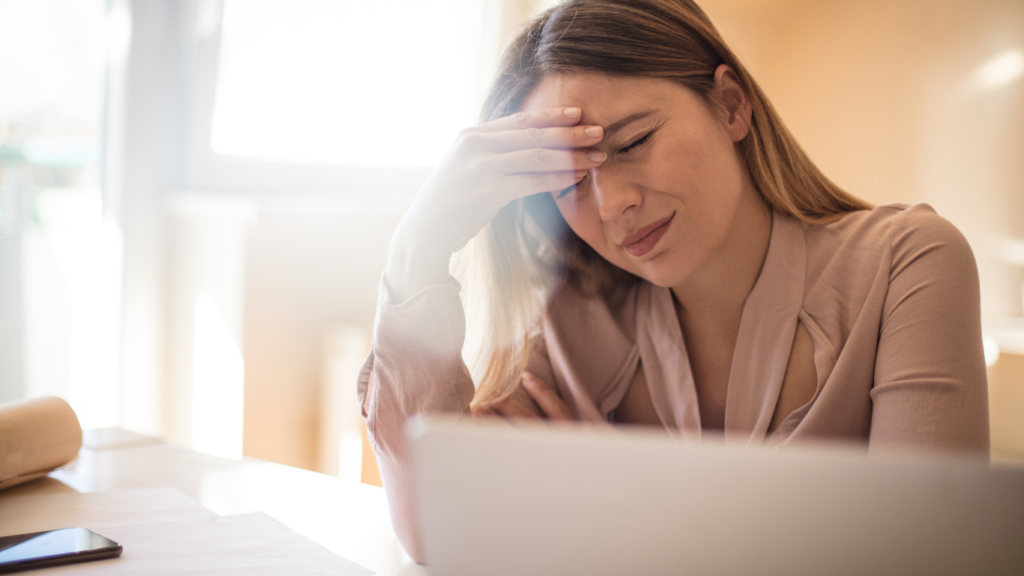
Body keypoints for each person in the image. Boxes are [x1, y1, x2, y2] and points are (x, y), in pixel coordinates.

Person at [357, 0, 990, 562]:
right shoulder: (572, 322)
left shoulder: (909, 263)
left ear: (731, 105)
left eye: (632, 142)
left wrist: (604, 504)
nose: (610, 206)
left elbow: (926, 556)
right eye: (570, 182)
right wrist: (417, 247)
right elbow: (436, 531)